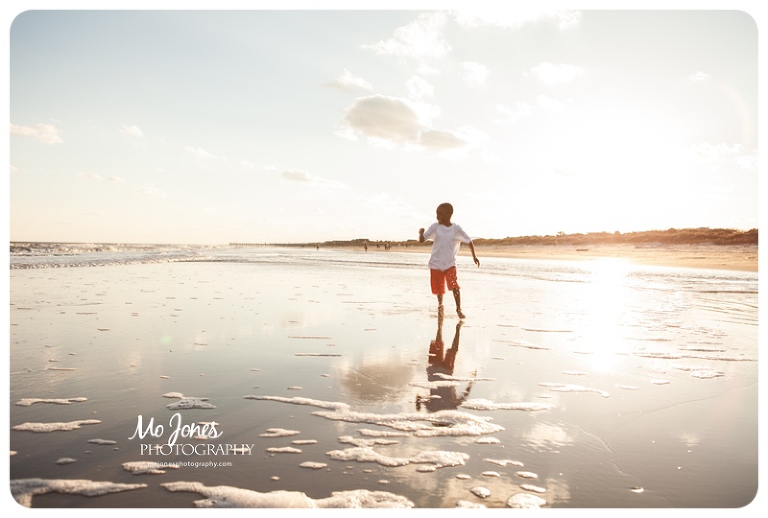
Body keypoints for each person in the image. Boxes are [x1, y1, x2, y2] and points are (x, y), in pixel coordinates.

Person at [419, 202, 479, 319]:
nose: (437, 217)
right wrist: (421, 234)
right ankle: (440, 306)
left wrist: (474, 256)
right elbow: (423, 240)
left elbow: (469, 241)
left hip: (450, 264)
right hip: (435, 264)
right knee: (439, 289)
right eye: (437, 214)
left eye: (440, 214)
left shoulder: (456, 229)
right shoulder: (435, 227)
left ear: (449, 214)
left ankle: (458, 309)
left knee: (454, 285)